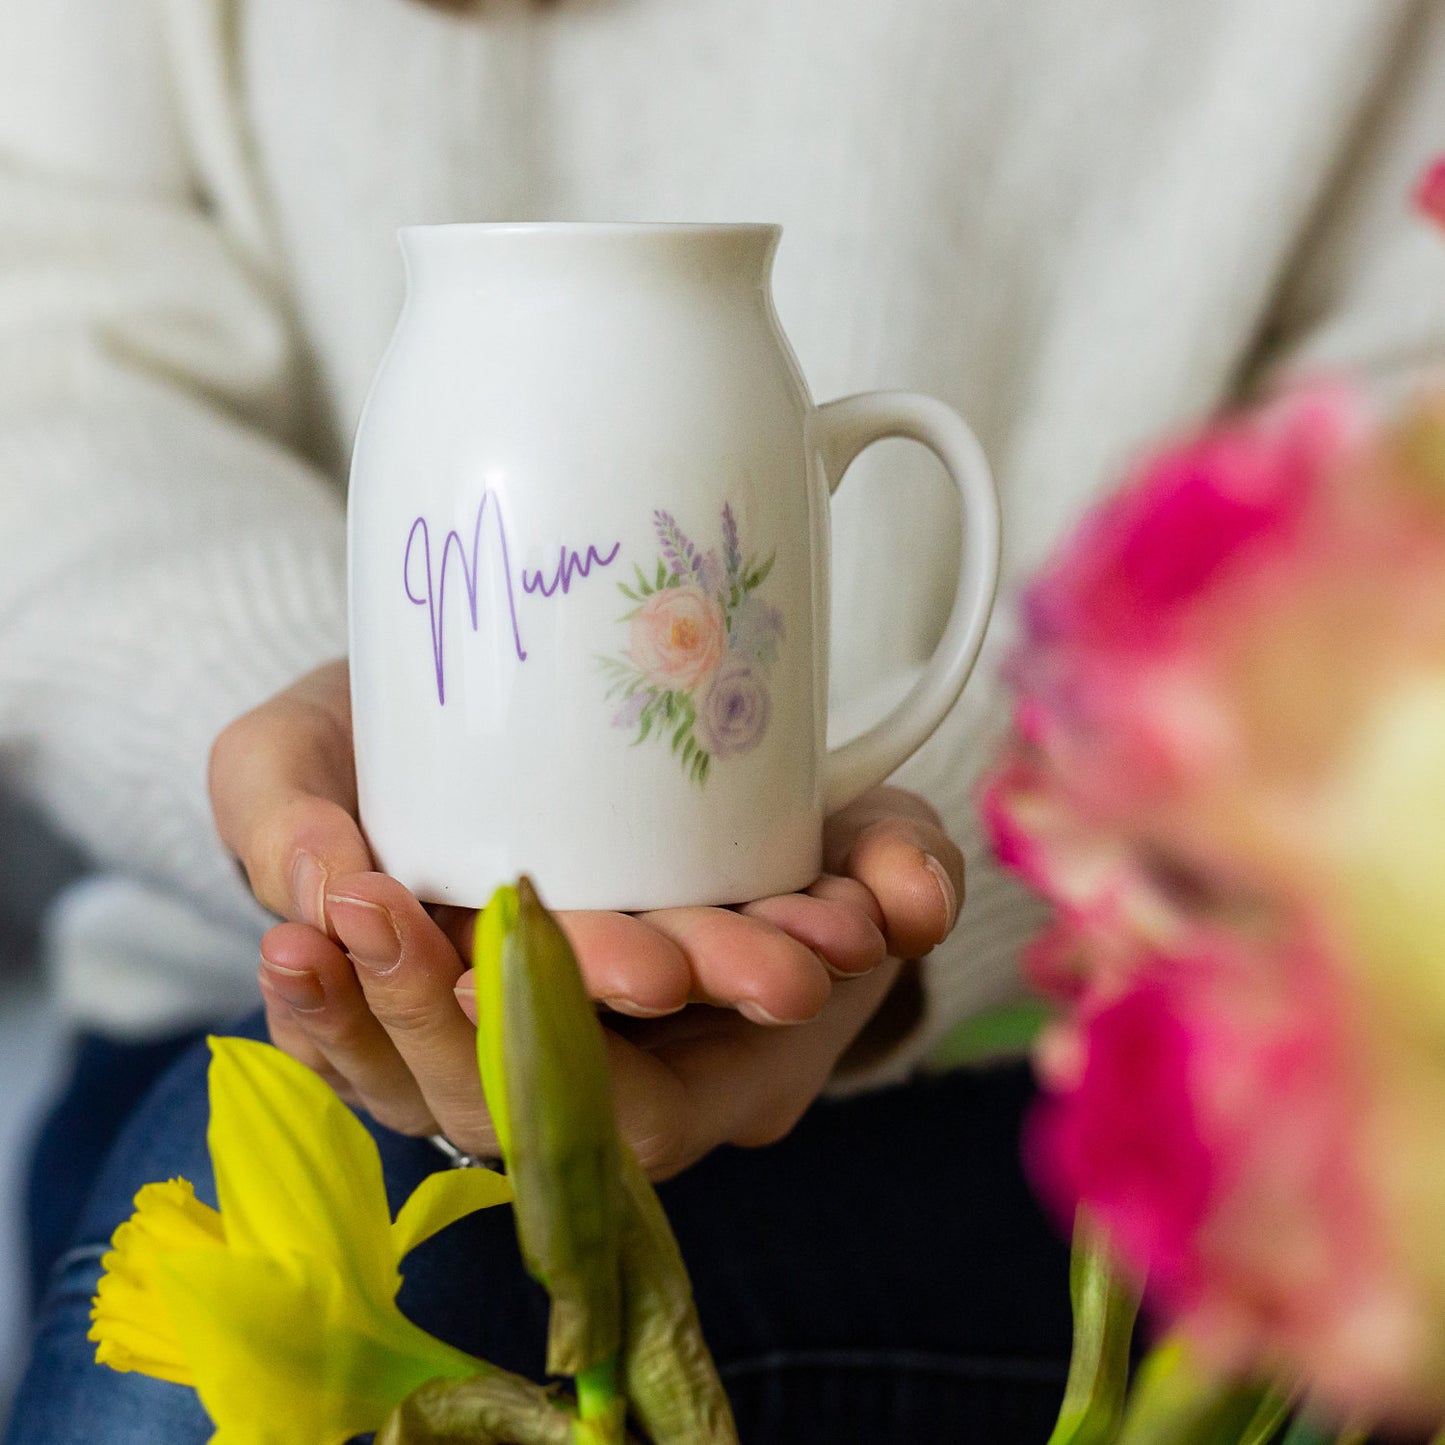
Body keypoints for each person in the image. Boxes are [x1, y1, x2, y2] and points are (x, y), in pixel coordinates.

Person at [2, 0, 1443, 1440]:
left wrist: (944, 807)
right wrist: (320, 727)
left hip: (1080, 1089)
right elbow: (49, 354)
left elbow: (1404, 464)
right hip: (266, 1021)